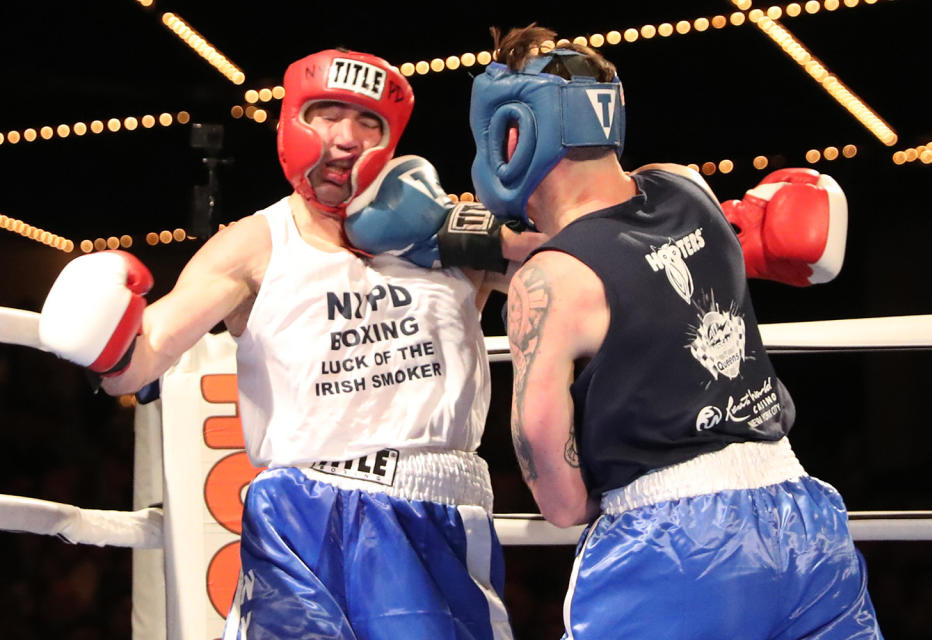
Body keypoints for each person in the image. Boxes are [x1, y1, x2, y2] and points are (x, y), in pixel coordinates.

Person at [36, 48, 531, 639]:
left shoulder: (455, 228)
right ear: (292, 124)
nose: (346, 139)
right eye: (327, 114)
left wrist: (498, 227)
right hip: (302, 516)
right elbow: (137, 360)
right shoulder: (254, 245)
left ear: (392, 138)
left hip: (433, 507)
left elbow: (579, 272)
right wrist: (98, 334)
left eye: (368, 122)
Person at [468, 25, 882, 639]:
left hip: (676, 547)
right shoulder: (686, 183)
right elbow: (629, 255)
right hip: (804, 518)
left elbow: (557, 497)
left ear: (514, 132)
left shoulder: (547, 284)